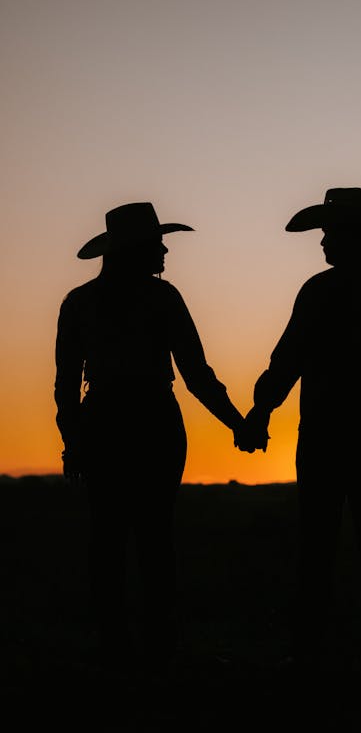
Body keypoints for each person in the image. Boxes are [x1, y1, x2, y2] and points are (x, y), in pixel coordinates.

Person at [54, 201, 250, 673]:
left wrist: (75, 439)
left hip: (103, 424)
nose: (165, 251)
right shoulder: (163, 300)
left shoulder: (80, 302)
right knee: (154, 538)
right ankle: (159, 648)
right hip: (153, 423)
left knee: (108, 538)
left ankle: (116, 648)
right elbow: (196, 375)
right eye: (157, 244)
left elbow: (65, 386)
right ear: (136, 250)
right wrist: (238, 423)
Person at [239, 187, 361, 669]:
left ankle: (307, 652)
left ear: (350, 236)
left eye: (328, 233)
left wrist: (261, 412)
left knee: (317, 545)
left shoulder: (320, 292)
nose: (322, 242)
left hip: (324, 440)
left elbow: (287, 361)